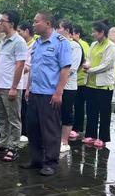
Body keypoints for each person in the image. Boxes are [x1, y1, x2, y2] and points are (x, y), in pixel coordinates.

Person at [22, 11, 72, 176]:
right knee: (33, 128)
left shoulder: (60, 42)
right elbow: (33, 68)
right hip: (35, 92)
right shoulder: (37, 43)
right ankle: (36, 159)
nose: (33, 24)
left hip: (49, 93)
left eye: (36, 22)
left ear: (48, 23)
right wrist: (28, 88)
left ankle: (50, 162)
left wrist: (59, 92)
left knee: (50, 130)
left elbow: (65, 68)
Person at [0, 10, 27, 162]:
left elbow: (20, 65)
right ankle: (3, 143)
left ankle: (13, 147)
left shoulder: (19, 42)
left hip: (10, 86)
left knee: (13, 118)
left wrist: (14, 87)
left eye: (3, 21)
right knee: (2, 117)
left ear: (11, 24)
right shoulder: (3, 41)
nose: (0, 23)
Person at [82, 21, 115, 149]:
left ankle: (102, 137)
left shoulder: (110, 46)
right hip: (91, 84)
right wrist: (87, 64)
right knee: (91, 111)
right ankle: (91, 135)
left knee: (104, 113)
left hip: (104, 85)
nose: (92, 34)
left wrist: (89, 70)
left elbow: (106, 65)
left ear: (102, 32)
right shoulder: (93, 44)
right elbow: (89, 58)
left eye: (94, 32)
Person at [56, 20, 82, 154]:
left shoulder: (74, 46)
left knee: (66, 112)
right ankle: (55, 139)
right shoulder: (57, 44)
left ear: (66, 30)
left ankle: (64, 141)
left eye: (59, 28)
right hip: (54, 85)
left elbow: (72, 68)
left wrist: (59, 77)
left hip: (68, 86)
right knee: (55, 112)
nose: (57, 30)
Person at [71, 25, 90, 140]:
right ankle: (74, 127)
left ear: (77, 34)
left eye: (72, 34)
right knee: (73, 105)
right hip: (74, 81)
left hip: (81, 81)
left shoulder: (83, 45)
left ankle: (78, 128)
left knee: (79, 106)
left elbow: (85, 60)